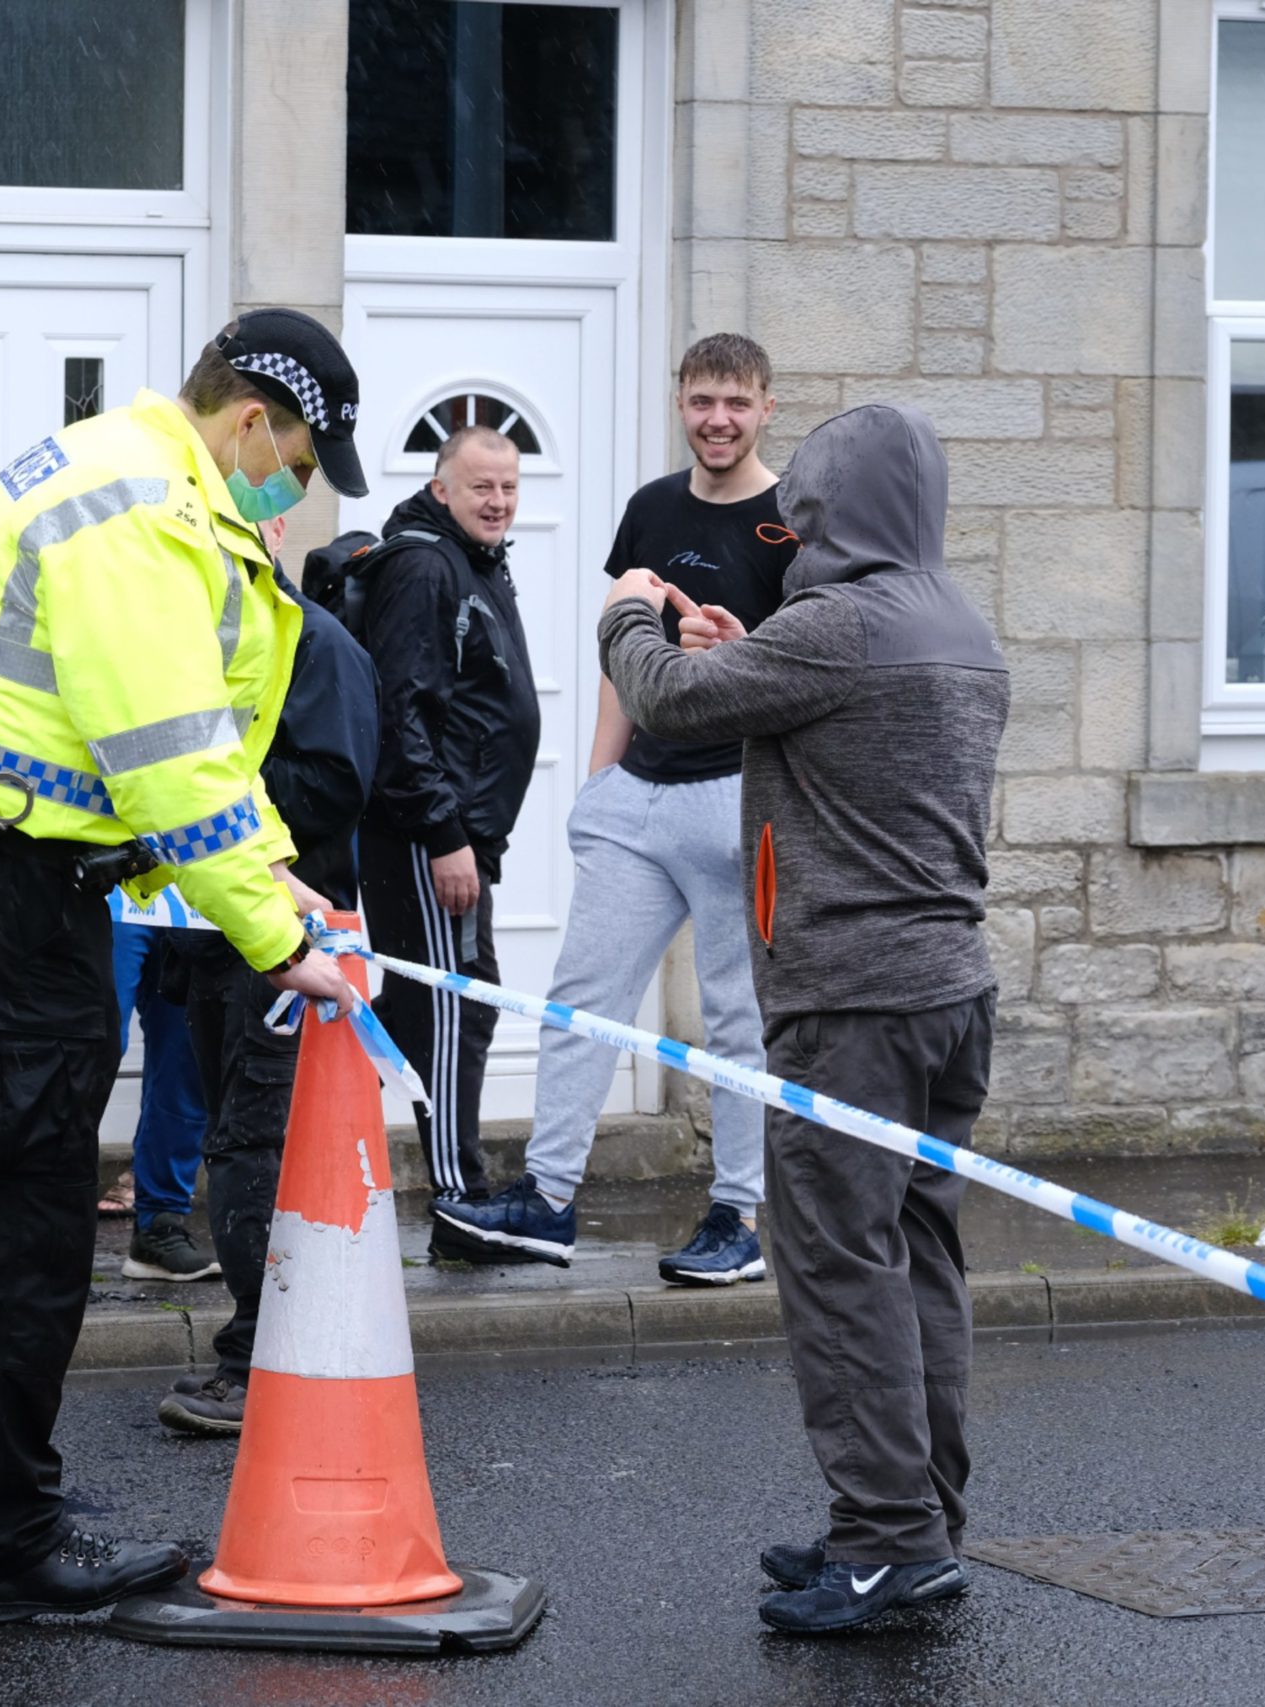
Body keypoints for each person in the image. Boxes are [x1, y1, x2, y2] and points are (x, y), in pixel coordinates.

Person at [0, 310, 369, 1623]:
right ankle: (3, 1544)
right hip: (6, 899)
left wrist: (275, 876)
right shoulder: (148, 514)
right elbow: (172, 755)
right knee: (27, 1236)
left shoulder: (122, 465)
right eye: (306, 456)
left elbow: (186, 753)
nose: (303, 488)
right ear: (254, 419)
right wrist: (282, 936)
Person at [600, 402, 1009, 1636]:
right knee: (918, 1254)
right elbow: (806, 700)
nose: (793, 536)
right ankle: (911, 1519)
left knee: (837, 1267)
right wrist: (747, 645)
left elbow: (666, 701)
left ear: (835, 515)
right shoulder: (954, 624)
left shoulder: (838, 626)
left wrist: (632, 608)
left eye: (804, 519)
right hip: (948, 996)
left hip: (850, 1003)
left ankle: (885, 1543)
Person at [433, 335, 796, 1278]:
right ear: (679, 400)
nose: (718, 419)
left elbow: (805, 669)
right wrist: (600, 783)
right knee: (581, 998)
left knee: (736, 1019)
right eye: (702, 399)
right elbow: (619, 652)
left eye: (736, 403)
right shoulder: (652, 509)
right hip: (638, 798)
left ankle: (739, 1220)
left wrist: (741, 648)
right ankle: (549, 1198)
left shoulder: (793, 522)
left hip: (737, 798)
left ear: (765, 408)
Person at [159, 512, 380, 1436]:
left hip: (288, 943)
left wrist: (219, 796)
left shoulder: (316, 646)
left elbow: (334, 781)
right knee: (235, 1138)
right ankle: (273, 1347)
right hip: (218, 936)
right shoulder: (197, 647)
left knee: (255, 1144)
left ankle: (260, 1361)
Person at [354, 427, 540, 1222]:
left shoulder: (473, 560)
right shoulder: (426, 565)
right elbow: (403, 715)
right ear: (442, 489)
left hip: (458, 838)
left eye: (508, 489)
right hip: (427, 839)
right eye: (480, 489)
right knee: (451, 1009)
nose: (497, 503)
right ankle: (459, 1198)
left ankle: (353, 1144)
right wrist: (444, 835)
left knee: (434, 1005)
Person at [109, 922, 221, 1281]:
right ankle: (40, 1227)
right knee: (88, 1047)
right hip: (103, 889)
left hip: (188, 892)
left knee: (187, 1057)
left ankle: (159, 1225)